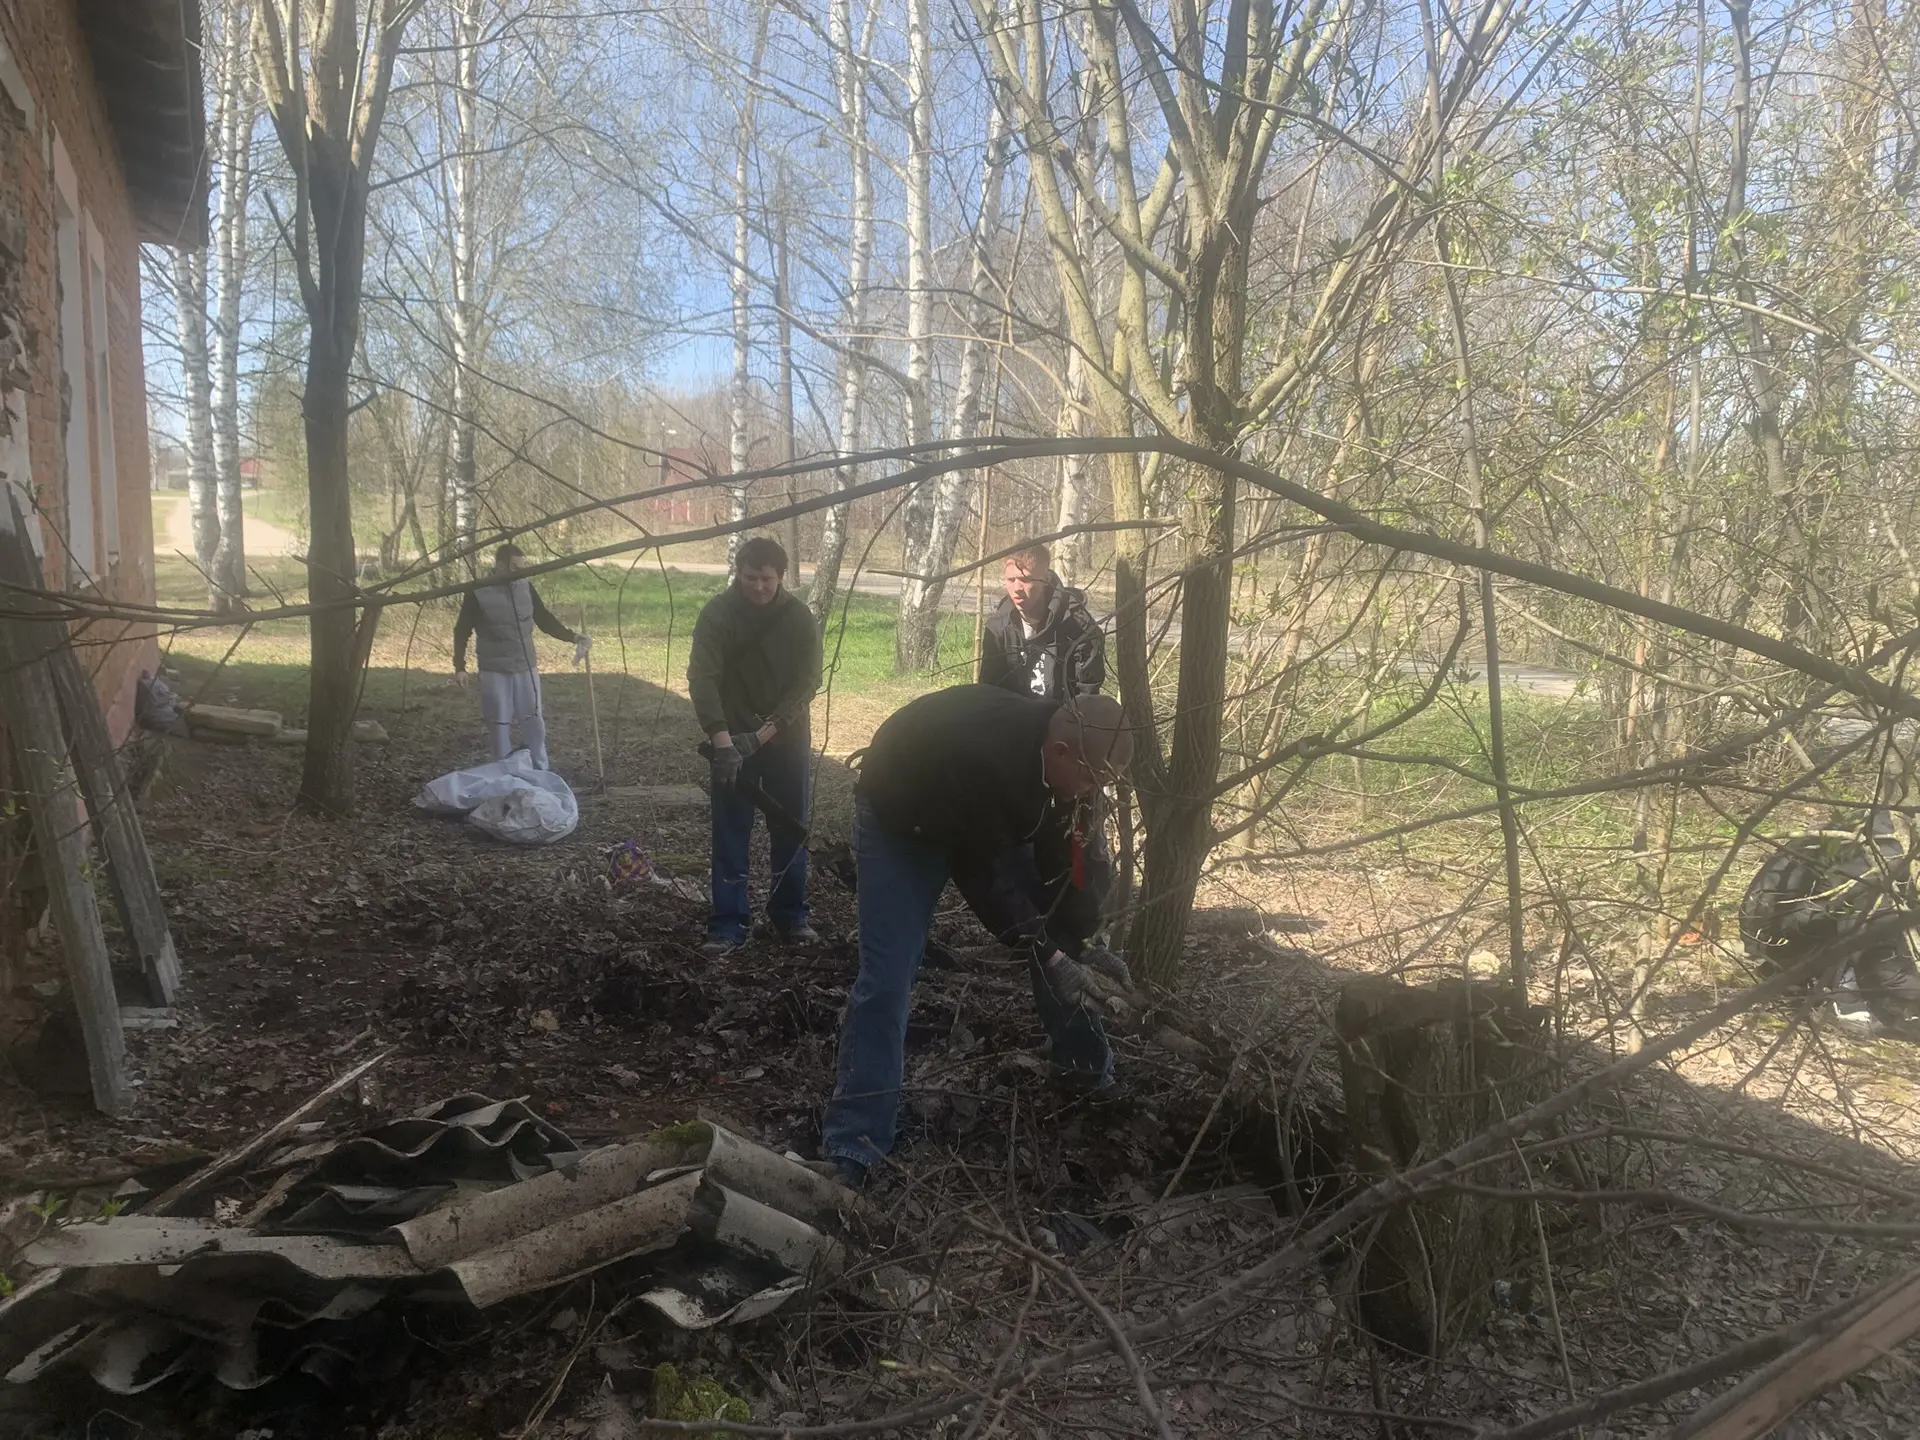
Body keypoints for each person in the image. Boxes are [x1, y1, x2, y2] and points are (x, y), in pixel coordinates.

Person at [820, 687, 1134, 1187]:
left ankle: (1086, 1072)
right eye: (1092, 781)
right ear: (1060, 753)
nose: (1093, 793)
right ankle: (855, 1142)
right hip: (903, 817)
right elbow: (989, 882)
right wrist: (1051, 955)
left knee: (1061, 942)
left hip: (984, 823)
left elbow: (1070, 872)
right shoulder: (987, 760)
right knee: (888, 978)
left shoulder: (1069, 767)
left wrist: (1083, 943)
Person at [688, 536, 824, 955]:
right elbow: (702, 678)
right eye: (751, 578)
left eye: (767, 579)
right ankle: (728, 922)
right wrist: (723, 742)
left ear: (781, 577)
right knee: (730, 830)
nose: (759, 587)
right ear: (739, 574)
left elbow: (808, 681)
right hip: (730, 740)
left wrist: (765, 733)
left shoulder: (798, 618)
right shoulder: (717, 614)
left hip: (786, 739)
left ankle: (790, 915)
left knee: (789, 826)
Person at [453, 543, 589, 770]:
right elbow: (461, 630)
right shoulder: (478, 592)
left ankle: (540, 768)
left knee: (534, 720)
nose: (520, 572)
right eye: (514, 567)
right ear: (500, 565)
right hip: (494, 670)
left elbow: (544, 619)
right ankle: (503, 771)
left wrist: (573, 637)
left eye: (522, 567)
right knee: (499, 723)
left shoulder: (526, 587)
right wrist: (459, 666)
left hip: (526, 666)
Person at [979, 541, 1105, 701]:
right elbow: (989, 691)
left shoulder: (1077, 624)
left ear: (1045, 580)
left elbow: (1087, 695)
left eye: (1025, 579)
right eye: (1011, 580)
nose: (1017, 588)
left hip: (1064, 712)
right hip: (1012, 712)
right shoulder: (998, 626)